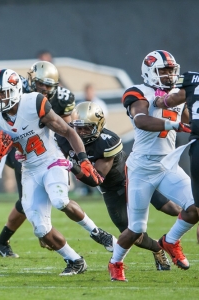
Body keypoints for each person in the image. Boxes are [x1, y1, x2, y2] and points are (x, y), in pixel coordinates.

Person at [0, 68, 116, 275]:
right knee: (40, 229)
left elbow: (69, 131)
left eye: (3, 92)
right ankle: (75, 260)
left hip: (52, 159)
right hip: (29, 168)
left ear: (16, 90)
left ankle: (98, 233)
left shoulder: (34, 102)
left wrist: (82, 160)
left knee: (60, 200)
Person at [56, 101, 182, 271]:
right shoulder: (65, 138)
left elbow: (95, 180)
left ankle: (179, 233)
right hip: (111, 191)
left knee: (172, 208)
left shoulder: (108, 141)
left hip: (134, 179)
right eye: (78, 128)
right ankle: (157, 248)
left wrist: (72, 165)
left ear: (99, 125)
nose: (81, 132)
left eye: (87, 128)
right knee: (131, 234)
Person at [108, 50, 198, 282]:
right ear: (149, 71)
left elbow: (188, 120)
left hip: (168, 164)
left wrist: (187, 120)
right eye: (164, 70)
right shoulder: (138, 92)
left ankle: (170, 240)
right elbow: (141, 120)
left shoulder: (177, 94)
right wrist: (177, 126)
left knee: (195, 208)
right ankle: (115, 262)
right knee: (136, 228)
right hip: (141, 168)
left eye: (171, 70)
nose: (169, 75)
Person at [153, 70, 199, 244]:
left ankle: (170, 241)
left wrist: (160, 100)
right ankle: (169, 241)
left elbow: (171, 101)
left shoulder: (191, 78)